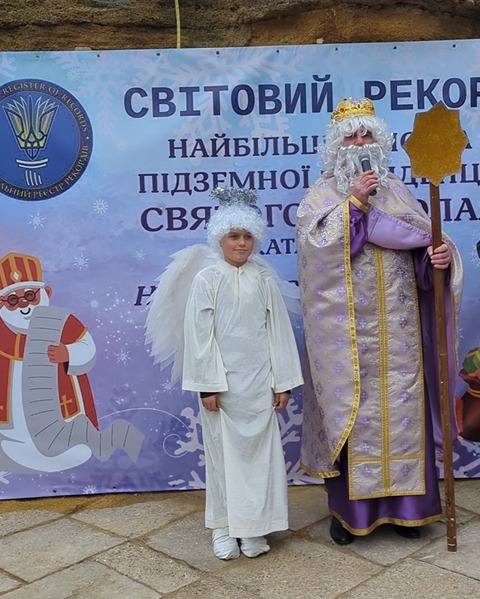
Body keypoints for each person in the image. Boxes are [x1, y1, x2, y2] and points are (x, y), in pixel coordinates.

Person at [296, 97, 463, 545]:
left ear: (380, 141)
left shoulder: (400, 193)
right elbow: (316, 255)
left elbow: (423, 255)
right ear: (335, 146)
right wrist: (353, 204)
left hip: (400, 335)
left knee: (403, 412)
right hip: (348, 342)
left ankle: (410, 510)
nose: (359, 142)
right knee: (355, 415)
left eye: (366, 134)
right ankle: (348, 514)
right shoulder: (321, 196)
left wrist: (437, 257)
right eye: (350, 135)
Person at [146, 187, 303, 560]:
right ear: (220, 238)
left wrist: (282, 382)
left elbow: (278, 330)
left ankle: (253, 528)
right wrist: (208, 386)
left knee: (260, 458)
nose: (241, 243)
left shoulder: (263, 279)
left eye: (248, 236)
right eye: (234, 236)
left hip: (259, 384)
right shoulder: (207, 280)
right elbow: (200, 338)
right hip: (223, 387)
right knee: (222, 458)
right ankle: (223, 526)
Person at [0, 251, 143, 472]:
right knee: (14, 439)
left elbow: (87, 347)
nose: (24, 305)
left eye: (30, 296)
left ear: (45, 292)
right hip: (13, 420)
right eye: (12, 300)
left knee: (72, 445)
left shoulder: (60, 322)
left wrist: (68, 353)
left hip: (58, 413)